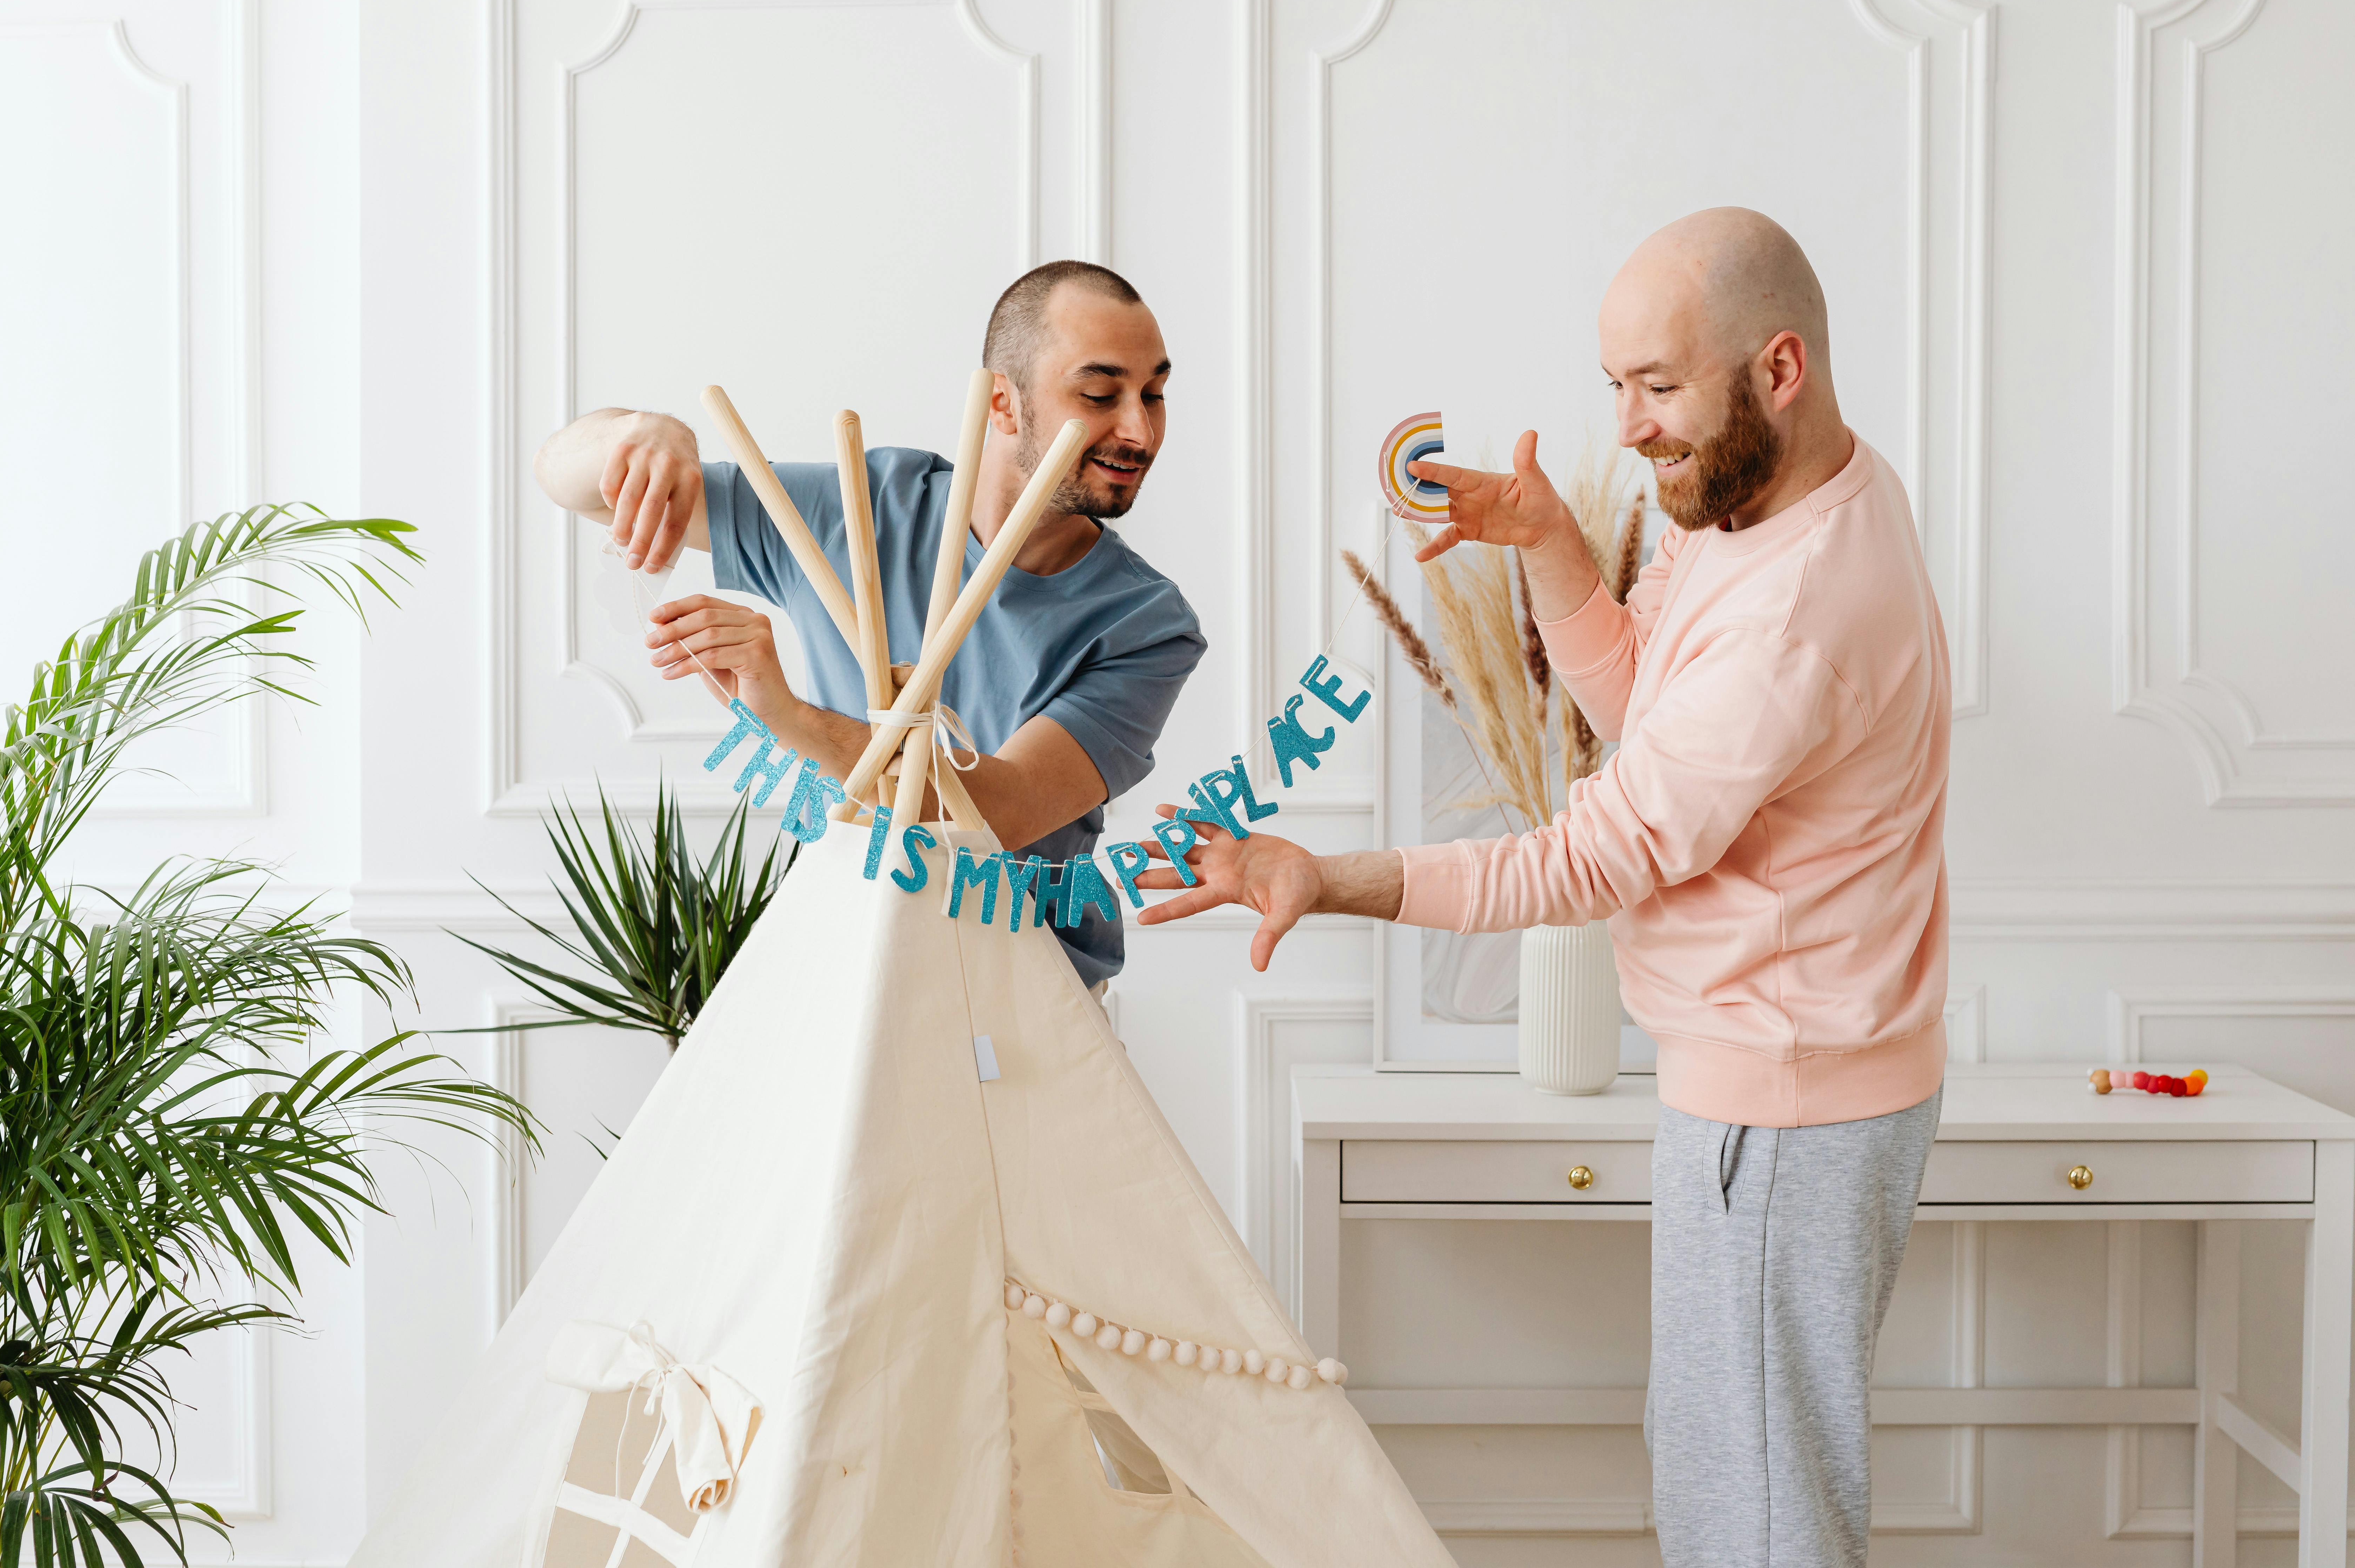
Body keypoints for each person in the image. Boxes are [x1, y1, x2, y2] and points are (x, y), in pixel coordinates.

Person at [1136, 208, 1950, 1567]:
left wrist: (1320, 875)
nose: (1630, 427)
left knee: (1754, 1516)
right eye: (1614, 388)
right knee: (1735, 1482)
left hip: (1786, 1104)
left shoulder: (1799, 609)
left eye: (1659, 387)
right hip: (1779, 1083)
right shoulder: (1773, 498)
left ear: (1780, 368)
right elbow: (1647, 703)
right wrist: (1550, 541)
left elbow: (1589, 851)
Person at [535, 260, 1206, 990]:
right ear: (1004, 404)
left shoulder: (1148, 624)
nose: (1139, 428)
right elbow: (566, 478)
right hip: (843, 971)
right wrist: (646, 434)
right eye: (1103, 393)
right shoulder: (856, 510)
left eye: (1155, 394)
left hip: (1029, 998)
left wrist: (788, 716)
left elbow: (993, 817)